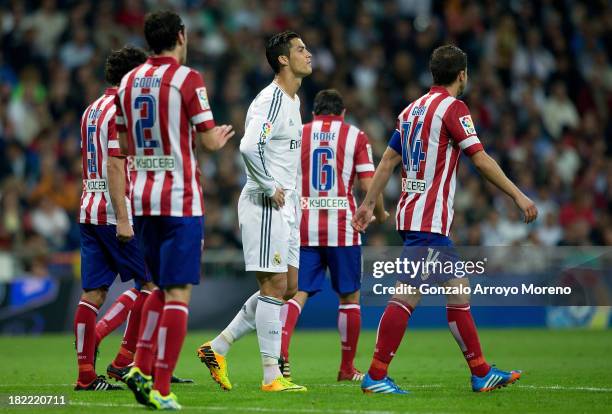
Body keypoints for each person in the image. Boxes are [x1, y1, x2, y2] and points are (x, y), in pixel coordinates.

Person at [352, 45, 538, 394]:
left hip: (413, 216)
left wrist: (367, 202)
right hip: (428, 221)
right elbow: (480, 159)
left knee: (457, 289)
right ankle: (376, 376)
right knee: (406, 296)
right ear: (462, 75)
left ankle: (481, 372)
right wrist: (518, 194)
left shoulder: (410, 110)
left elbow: (388, 161)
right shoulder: (453, 108)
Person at [112, 10, 234, 409]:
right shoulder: (188, 78)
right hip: (180, 200)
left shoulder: (127, 82)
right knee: (178, 293)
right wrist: (219, 136)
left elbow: (126, 145)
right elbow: (210, 142)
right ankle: (161, 388)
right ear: (181, 36)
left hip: (142, 198)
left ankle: (139, 368)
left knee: (155, 289)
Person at [197, 30, 311, 392]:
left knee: (289, 287)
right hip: (265, 203)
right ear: (282, 59)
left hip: (287, 205)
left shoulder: (293, 102)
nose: (308, 54)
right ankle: (271, 375)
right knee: (274, 286)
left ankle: (217, 347)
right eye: (300, 49)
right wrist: (269, 186)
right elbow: (249, 146)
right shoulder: (272, 101)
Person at [280, 89, 388, 382]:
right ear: (342, 113)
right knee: (349, 297)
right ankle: (346, 368)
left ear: (314, 113)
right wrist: (380, 212)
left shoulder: (298, 134)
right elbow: (368, 183)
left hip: (303, 229)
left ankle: (282, 353)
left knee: (296, 293)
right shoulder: (355, 136)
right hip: (344, 229)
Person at [74, 45, 151, 392]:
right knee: (152, 285)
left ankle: (86, 375)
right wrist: (124, 218)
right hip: (114, 212)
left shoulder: (91, 110)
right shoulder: (123, 110)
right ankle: (124, 362)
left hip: (89, 208)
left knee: (92, 294)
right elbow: (115, 163)